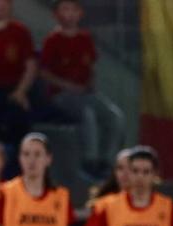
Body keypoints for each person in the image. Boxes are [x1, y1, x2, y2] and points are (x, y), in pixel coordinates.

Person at [38, 0, 125, 179]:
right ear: (57, 14)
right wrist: (68, 86)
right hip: (61, 95)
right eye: (65, 10)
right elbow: (44, 73)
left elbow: (90, 66)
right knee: (87, 114)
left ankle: (106, 162)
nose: (69, 14)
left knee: (114, 116)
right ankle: (89, 162)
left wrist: (90, 86)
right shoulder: (52, 40)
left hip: (87, 94)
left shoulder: (86, 38)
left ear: (80, 13)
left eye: (73, 10)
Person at [0, 132, 74, 226]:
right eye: (26, 154)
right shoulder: (5, 193)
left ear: (48, 159)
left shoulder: (61, 197)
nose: (31, 160)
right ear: (19, 158)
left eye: (37, 154)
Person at [0, 0, 34, 171]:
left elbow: (31, 66)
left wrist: (21, 91)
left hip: (13, 90)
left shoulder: (20, 32)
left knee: (18, 120)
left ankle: (18, 175)